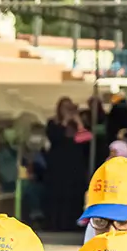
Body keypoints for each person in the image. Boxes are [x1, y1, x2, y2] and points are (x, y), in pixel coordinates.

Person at [45, 97, 93, 231]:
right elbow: (55, 138)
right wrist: (64, 121)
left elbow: (87, 139)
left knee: (75, 195)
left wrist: (78, 122)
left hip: (75, 164)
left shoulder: (78, 124)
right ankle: (56, 224)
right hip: (58, 165)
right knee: (58, 196)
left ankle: (74, 223)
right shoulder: (52, 123)